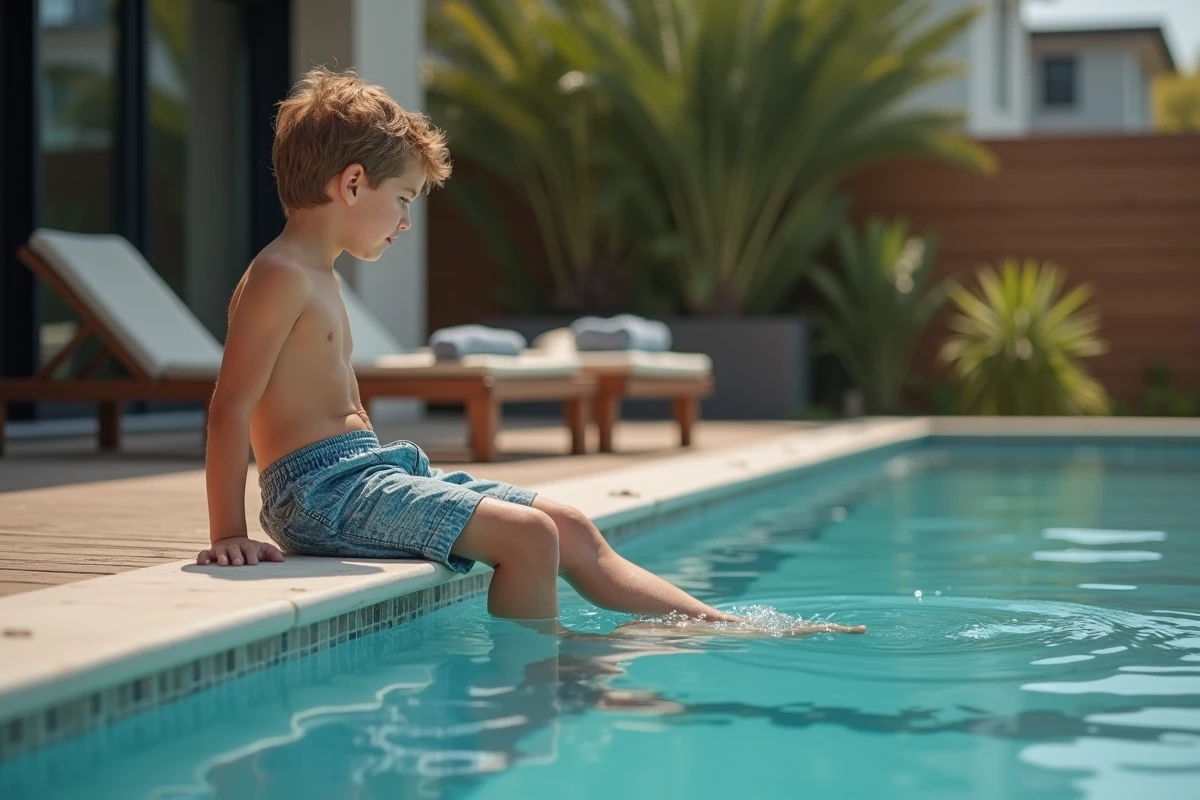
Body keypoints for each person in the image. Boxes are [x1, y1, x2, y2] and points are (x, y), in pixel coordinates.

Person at [197, 67, 864, 638]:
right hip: (320, 493)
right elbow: (230, 409)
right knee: (529, 537)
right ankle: (536, 670)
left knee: (566, 524)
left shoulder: (321, 273)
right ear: (350, 185)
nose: (405, 221)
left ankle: (719, 626)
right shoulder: (280, 276)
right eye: (401, 201)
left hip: (367, 473)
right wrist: (229, 529)